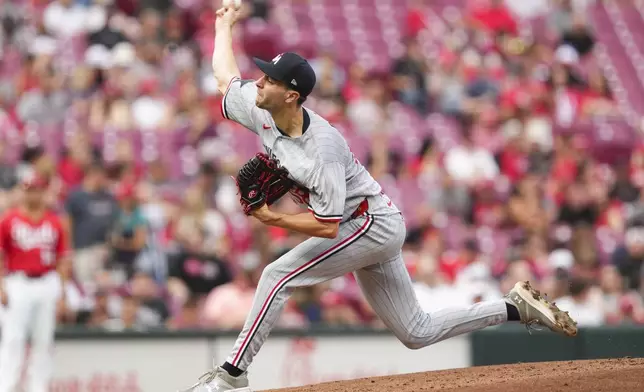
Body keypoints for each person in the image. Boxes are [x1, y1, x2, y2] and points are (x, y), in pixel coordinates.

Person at [182, 6, 579, 392]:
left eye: (269, 79)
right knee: (416, 332)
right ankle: (513, 308)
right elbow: (224, 78)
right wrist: (224, 24)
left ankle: (231, 375)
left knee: (276, 275)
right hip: (369, 222)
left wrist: (273, 219)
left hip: (369, 223)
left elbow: (327, 226)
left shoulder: (323, 149)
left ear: (292, 95)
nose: (259, 82)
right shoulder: (262, 110)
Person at [0, 171, 70, 392]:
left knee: (43, 341)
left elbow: (62, 260)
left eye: (37, 189)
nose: (33, 195)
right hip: (18, 281)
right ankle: (6, 386)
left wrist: (62, 292)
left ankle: (38, 388)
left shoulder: (54, 222)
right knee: (13, 339)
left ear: (43, 192)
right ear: (22, 191)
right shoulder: (9, 220)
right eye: (29, 189)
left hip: (47, 281)